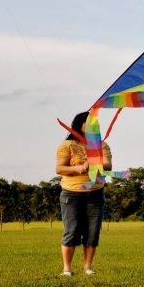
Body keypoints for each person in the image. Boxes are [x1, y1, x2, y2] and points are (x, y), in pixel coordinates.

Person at [56, 111, 111, 276]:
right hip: (71, 194)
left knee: (92, 231)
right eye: (89, 122)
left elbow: (107, 165)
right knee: (71, 230)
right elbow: (59, 168)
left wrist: (95, 162)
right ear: (79, 125)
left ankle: (88, 267)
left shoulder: (102, 145)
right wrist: (77, 168)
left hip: (95, 193)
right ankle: (67, 269)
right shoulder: (67, 145)